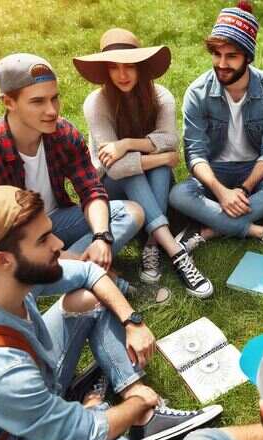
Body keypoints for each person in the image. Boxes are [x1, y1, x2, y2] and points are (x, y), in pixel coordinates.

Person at [0, 186, 222, 440]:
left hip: (34, 392)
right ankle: (125, 406)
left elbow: (88, 272)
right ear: (3, 260)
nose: (59, 244)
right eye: (42, 240)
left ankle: (131, 405)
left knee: (89, 298)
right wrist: (136, 404)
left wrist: (132, 321)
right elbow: (85, 432)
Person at [0, 53, 142, 295]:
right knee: (11, 272)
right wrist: (78, 260)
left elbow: (91, 190)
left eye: (54, 98)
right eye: (38, 101)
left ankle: (77, 274)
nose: (51, 110)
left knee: (130, 213)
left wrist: (102, 238)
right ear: (9, 102)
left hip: (54, 222)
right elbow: (2, 245)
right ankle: (98, 278)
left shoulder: (63, 133)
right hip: (15, 249)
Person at [75, 27, 213, 299]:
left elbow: (170, 138)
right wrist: (161, 156)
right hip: (111, 184)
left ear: (141, 67)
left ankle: (151, 244)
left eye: (129, 67)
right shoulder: (96, 102)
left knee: (153, 167)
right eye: (114, 68)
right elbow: (113, 167)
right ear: (106, 72)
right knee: (137, 169)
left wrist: (126, 144)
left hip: (151, 179)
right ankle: (176, 252)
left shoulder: (161, 96)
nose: (122, 75)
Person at [169, 1, 263, 254]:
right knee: (178, 194)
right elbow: (195, 154)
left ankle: (207, 230)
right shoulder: (197, 92)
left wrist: (243, 189)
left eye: (231, 56)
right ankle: (259, 230)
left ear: (248, 57)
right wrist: (221, 192)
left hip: (253, 172)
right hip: (213, 173)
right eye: (217, 54)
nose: (221, 63)